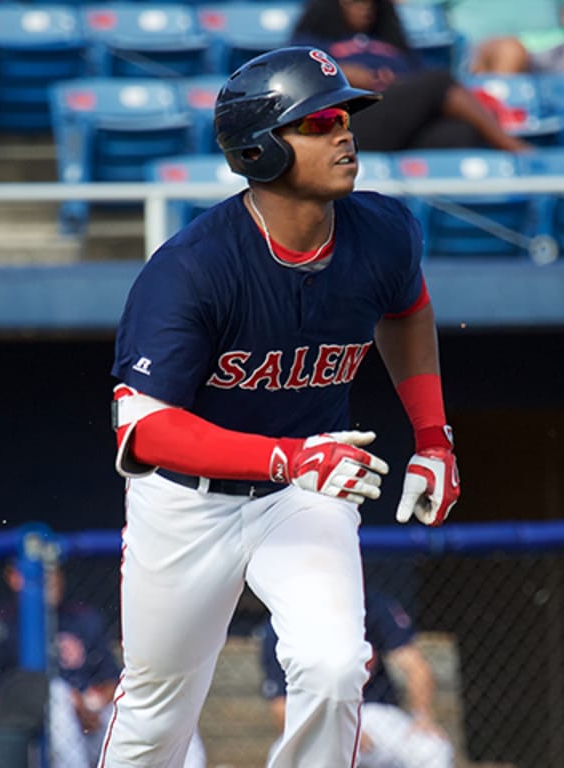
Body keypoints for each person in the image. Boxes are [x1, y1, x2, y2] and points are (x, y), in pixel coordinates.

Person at [102, 46, 461, 768]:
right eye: (320, 122)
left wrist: (433, 436)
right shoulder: (192, 268)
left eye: (346, 116)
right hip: (187, 503)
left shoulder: (382, 232)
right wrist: (290, 455)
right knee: (156, 713)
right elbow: (145, 429)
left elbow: (408, 309)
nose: (344, 134)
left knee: (333, 669)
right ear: (260, 149)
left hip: (304, 493)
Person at [0, 559, 207, 768]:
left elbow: (112, 681)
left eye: (54, 572)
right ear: (13, 576)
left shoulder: (82, 618)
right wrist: (49, 702)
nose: (50, 581)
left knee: (168, 701)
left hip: (89, 726)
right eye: (41, 573)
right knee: (56, 694)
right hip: (35, 738)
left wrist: (90, 705)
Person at [289, 0, 533, 152]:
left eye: (372, 3)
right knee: (438, 81)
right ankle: (513, 147)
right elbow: (302, 79)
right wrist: (344, 73)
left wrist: (395, 83)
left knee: (460, 134)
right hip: (350, 123)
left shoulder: (392, 44)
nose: (366, 8)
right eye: (354, 1)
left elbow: (414, 83)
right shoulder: (315, 39)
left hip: (398, 121)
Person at [258, 591, 453, 767]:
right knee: (281, 758)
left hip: (374, 717)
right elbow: (281, 707)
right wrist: (335, 732)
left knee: (432, 748)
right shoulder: (282, 626)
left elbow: (417, 668)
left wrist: (422, 716)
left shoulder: (368, 605)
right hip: (319, 722)